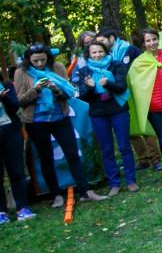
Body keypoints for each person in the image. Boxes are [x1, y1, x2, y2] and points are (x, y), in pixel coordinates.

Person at [13, 44, 104, 205]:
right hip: (36, 121)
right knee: (46, 158)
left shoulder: (57, 67)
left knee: (72, 154)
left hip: (60, 117)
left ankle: (85, 191)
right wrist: (35, 90)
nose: (40, 63)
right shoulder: (21, 72)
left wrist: (56, 89)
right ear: (28, 59)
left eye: (43, 60)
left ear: (48, 57)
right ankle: (56, 195)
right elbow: (20, 101)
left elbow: (68, 93)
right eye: (35, 61)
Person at [72, 38, 138, 195]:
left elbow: (121, 87)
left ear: (106, 51)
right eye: (94, 52)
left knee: (124, 146)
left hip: (118, 110)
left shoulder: (116, 65)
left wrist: (107, 83)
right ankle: (114, 183)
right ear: (88, 54)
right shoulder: (85, 71)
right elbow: (83, 97)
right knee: (106, 149)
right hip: (98, 114)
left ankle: (131, 181)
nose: (97, 55)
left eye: (100, 51)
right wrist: (90, 88)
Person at [133, 27, 162, 172]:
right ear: (143, 43)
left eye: (154, 39)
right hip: (154, 106)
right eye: (148, 41)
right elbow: (136, 84)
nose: (152, 43)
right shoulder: (139, 63)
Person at [0, 70, 35, 223]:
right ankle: (1, 212)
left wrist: (4, 97)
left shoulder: (7, 85)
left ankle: (23, 208)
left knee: (16, 171)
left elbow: (15, 106)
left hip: (10, 132)